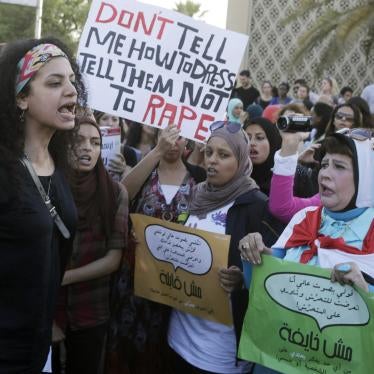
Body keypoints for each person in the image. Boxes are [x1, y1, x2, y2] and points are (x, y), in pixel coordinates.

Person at [240, 132, 374, 373]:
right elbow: (259, 289)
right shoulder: (305, 217)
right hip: (275, 360)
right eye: (324, 164)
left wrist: (364, 293)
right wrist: (253, 253)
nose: (325, 173)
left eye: (339, 166)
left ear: (367, 178)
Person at [168, 121, 283, 373]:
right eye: (209, 152)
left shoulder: (257, 207)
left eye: (223, 155)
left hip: (219, 352)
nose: (212, 161)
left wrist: (243, 278)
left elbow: (273, 273)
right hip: (178, 337)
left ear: (241, 159)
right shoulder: (194, 194)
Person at [0, 37, 86, 373]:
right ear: (22, 97)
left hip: (38, 353)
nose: (71, 91)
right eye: (54, 82)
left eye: (72, 81)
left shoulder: (57, 164)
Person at [113, 125, 206, 374]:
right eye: (168, 137)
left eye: (180, 138)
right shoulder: (146, 169)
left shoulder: (199, 176)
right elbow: (122, 192)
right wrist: (156, 152)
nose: (173, 143)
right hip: (135, 278)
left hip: (175, 283)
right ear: (157, 137)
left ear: (189, 143)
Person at [54, 116, 128, 374]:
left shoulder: (116, 193)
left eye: (96, 142)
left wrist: (63, 277)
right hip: (50, 309)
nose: (88, 148)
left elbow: (112, 259)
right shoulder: (50, 187)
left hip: (92, 312)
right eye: (79, 140)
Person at [243, 117, 282, 195]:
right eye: (247, 138)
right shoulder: (233, 178)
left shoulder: (287, 177)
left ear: (272, 142)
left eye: (259, 138)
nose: (251, 143)